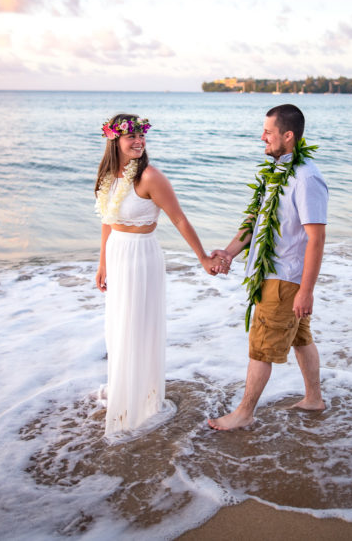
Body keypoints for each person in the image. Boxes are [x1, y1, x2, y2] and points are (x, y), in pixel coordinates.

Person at [94, 113, 217, 439]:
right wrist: (102, 261)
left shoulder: (150, 178)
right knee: (118, 327)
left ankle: (141, 403)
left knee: (137, 327)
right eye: (130, 137)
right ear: (114, 141)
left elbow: (180, 220)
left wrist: (202, 257)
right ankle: (122, 390)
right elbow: (107, 219)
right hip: (118, 254)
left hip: (141, 257)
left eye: (141, 137)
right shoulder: (109, 175)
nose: (138, 142)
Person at [208, 104, 328, 431]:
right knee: (301, 339)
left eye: (269, 132)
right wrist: (230, 253)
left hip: (285, 279)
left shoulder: (306, 178)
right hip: (272, 274)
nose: (262, 137)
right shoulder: (275, 172)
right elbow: (255, 221)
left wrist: (306, 291)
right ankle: (314, 399)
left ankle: (244, 413)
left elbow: (316, 239)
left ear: (288, 136)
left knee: (260, 348)